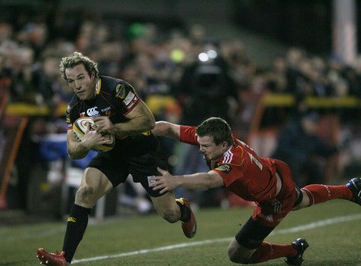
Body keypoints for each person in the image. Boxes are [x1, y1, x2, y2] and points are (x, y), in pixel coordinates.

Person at [36, 52, 196, 266]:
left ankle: (183, 210)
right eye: (71, 81)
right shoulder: (74, 108)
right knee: (85, 192)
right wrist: (86, 144)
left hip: (143, 151)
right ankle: (64, 258)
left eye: (81, 78)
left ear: (93, 74)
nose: (77, 85)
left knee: (169, 214)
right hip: (112, 154)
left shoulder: (117, 89)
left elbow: (147, 122)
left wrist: (114, 127)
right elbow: (73, 150)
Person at [150, 117, 361, 265]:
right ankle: (349, 190)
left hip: (274, 199)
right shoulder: (214, 139)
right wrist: (139, 129)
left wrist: (175, 180)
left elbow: (209, 180)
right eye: (200, 143)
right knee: (302, 199)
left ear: (224, 145)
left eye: (205, 146)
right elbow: (168, 128)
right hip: (271, 174)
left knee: (237, 254)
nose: (200, 148)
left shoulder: (234, 160)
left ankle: (293, 250)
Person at [272, 111, 339, 187]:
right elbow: (283, 148)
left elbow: (322, 150)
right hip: (282, 162)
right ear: (304, 121)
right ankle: (295, 191)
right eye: (312, 122)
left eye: (315, 123)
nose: (314, 125)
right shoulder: (291, 131)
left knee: (315, 167)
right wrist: (300, 156)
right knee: (295, 163)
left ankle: (312, 191)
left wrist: (335, 149)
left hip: (300, 162)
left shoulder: (311, 136)